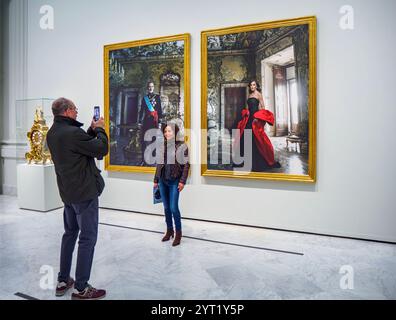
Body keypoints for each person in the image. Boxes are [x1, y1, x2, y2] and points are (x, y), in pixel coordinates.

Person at [47, 97, 109, 300]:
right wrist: (100, 129)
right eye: (74, 109)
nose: (76, 112)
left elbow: (80, 146)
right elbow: (100, 149)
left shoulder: (53, 132)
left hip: (68, 194)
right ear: (66, 112)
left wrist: (90, 130)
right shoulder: (72, 133)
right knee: (87, 238)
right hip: (84, 194)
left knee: (70, 234)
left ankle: (63, 280)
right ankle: (81, 288)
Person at [154, 123, 189, 246]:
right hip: (163, 181)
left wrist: (182, 181)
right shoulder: (162, 146)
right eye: (165, 131)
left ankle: (178, 233)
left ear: (175, 133)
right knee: (166, 208)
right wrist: (155, 180)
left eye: (169, 131)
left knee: (174, 208)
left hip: (175, 181)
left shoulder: (182, 146)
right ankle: (169, 230)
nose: (167, 133)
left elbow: (186, 166)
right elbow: (159, 164)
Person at [234, 80, 281, 172]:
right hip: (248, 118)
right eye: (251, 85)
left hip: (255, 118)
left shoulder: (258, 94)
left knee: (257, 138)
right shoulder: (249, 95)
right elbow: (248, 108)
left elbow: (263, 107)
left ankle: (258, 162)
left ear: (256, 86)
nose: (252, 86)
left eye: (254, 85)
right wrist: (246, 113)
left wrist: (258, 117)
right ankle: (245, 160)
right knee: (245, 137)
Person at [139, 81, 163, 165]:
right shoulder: (144, 98)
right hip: (146, 121)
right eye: (149, 86)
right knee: (144, 140)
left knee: (154, 140)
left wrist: (160, 121)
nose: (150, 88)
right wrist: (139, 121)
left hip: (154, 122)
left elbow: (160, 110)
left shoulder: (157, 97)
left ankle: (154, 158)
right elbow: (141, 111)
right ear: (147, 88)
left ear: (153, 87)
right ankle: (144, 159)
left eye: (152, 86)